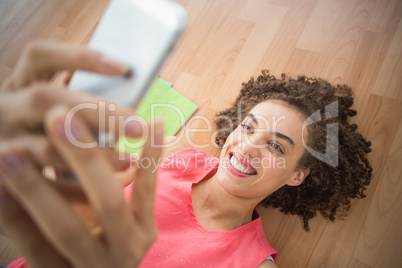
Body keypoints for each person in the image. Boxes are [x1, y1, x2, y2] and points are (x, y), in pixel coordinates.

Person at [0, 42, 372, 268]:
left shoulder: (251, 261)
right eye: (248, 127)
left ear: (297, 174)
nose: (246, 146)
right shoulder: (180, 159)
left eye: (276, 146)